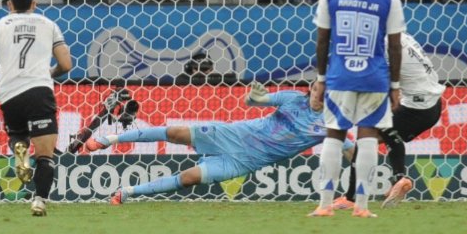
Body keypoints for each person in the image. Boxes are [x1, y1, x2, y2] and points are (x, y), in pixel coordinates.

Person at [86, 81, 329, 203]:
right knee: (175, 133)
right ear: (312, 88)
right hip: (232, 135)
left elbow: (347, 148)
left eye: (324, 89)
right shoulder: (292, 98)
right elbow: (252, 102)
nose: (318, 91)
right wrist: (255, 96)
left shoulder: (328, 124)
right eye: (317, 87)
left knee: (188, 179)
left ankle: (126, 193)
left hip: (243, 162)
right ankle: (109, 139)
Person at [308, 0, 405, 218]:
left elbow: (322, 40)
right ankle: (361, 207)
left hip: (340, 76)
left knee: (334, 135)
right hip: (374, 78)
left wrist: (321, 79)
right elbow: (395, 45)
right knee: (368, 139)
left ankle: (325, 205)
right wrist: (395, 86)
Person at [0, 0, 72, 217]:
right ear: (34, 4)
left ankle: (19, 149)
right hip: (38, 92)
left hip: (9, 95)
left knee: (18, 135)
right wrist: (48, 74)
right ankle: (39, 201)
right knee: (45, 156)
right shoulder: (48, 24)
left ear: (9, 4)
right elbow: (66, 64)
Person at [336, 32, 445, 210]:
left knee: (369, 135)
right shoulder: (401, 36)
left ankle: (392, 181)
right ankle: (394, 181)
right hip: (431, 104)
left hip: (417, 108)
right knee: (375, 138)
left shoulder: (380, 44)